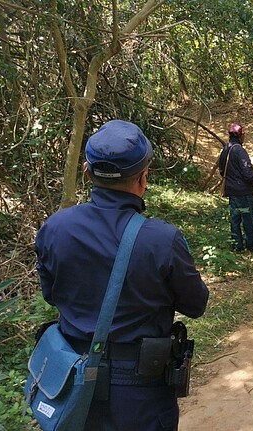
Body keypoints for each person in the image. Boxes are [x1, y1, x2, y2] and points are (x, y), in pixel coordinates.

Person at [34, 120, 210, 430]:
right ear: (144, 178)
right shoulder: (161, 240)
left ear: (87, 172)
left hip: (72, 384)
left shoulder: (54, 228)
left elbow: (51, 293)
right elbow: (196, 305)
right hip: (140, 393)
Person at [219, 123, 253, 252]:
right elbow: (247, 172)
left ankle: (237, 246)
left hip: (231, 191)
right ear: (240, 136)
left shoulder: (225, 149)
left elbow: (221, 170)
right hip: (243, 192)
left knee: (235, 219)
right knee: (249, 220)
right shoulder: (239, 150)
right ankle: (252, 246)